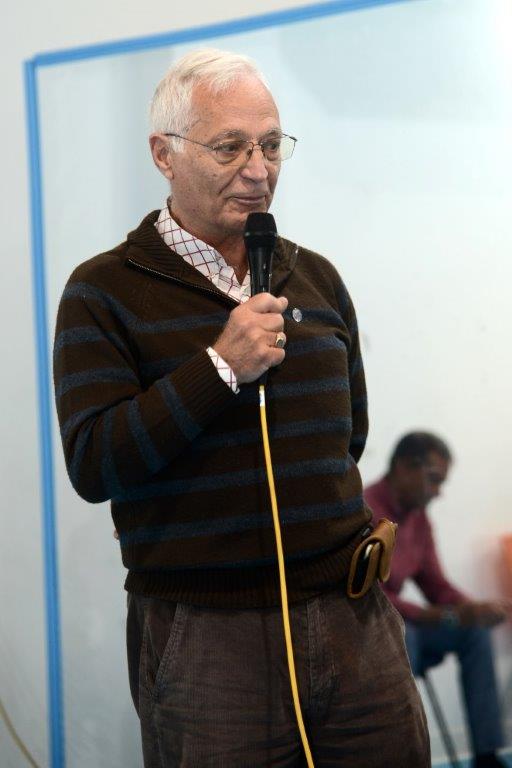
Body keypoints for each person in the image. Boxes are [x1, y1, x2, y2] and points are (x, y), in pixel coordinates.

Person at [53, 49, 429, 767]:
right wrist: (219, 367)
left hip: (354, 618)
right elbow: (95, 463)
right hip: (208, 638)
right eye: (230, 147)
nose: (259, 171)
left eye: (271, 145)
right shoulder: (103, 291)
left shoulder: (314, 276)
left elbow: (347, 437)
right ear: (164, 154)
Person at [365, 431, 510, 768]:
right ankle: (406, 757)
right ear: (403, 467)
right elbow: (375, 596)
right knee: (404, 639)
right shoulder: (365, 510)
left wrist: (474, 609)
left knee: (475, 633)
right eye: (433, 480)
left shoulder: (418, 519)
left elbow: (437, 586)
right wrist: (442, 616)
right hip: (374, 634)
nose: (437, 492)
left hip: (409, 628)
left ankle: (487, 756)